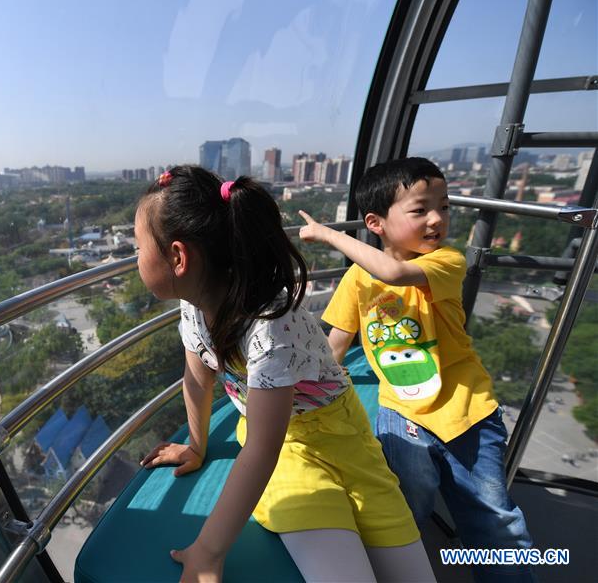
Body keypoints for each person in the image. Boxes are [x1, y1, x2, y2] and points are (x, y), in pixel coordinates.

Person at [136, 165, 434, 582]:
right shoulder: (195, 307)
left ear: (178, 257)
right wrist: (197, 447)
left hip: (342, 437)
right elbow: (198, 377)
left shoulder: (270, 326)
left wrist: (206, 552)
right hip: (287, 449)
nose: (136, 257)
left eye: (138, 247)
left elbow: (260, 449)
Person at [301, 157, 534, 582]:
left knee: (493, 521)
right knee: (406, 508)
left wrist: (328, 234)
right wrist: (307, 399)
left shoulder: (445, 261)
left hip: (466, 409)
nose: (437, 219)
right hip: (402, 411)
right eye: (421, 209)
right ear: (376, 223)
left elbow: (392, 271)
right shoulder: (357, 280)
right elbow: (336, 343)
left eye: (443, 207)